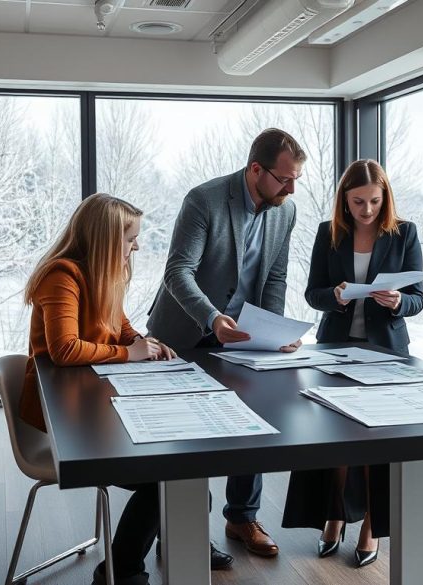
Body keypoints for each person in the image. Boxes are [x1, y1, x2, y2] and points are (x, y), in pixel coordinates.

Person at [146, 128, 306, 560]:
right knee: (186, 437)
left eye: (296, 180)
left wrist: (273, 332)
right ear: (256, 169)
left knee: (250, 423)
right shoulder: (205, 200)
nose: (291, 189)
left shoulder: (283, 212)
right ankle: (180, 529)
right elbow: (178, 272)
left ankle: (241, 518)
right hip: (185, 333)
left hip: (243, 337)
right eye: (284, 179)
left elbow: (274, 276)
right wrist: (213, 318)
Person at [19, 194, 176, 585]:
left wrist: (146, 344)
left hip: (93, 404)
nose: (136, 246)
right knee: (168, 483)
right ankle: (121, 574)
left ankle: (130, 563)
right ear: (106, 239)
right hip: (63, 418)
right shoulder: (62, 276)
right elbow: (64, 348)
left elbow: (120, 327)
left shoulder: (105, 275)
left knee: (176, 479)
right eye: (130, 238)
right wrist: (128, 353)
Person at [281, 159, 423, 567]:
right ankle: (334, 515)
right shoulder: (330, 233)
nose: (366, 210)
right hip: (335, 349)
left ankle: (370, 526)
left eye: (374, 202)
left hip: (386, 353)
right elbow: (313, 293)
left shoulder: (404, 233)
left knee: (375, 445)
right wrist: (337, 296)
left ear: (386, 198)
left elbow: (417, 297)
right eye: (358, 202)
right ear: (344, 200)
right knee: (336, 441)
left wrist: (399, 301)